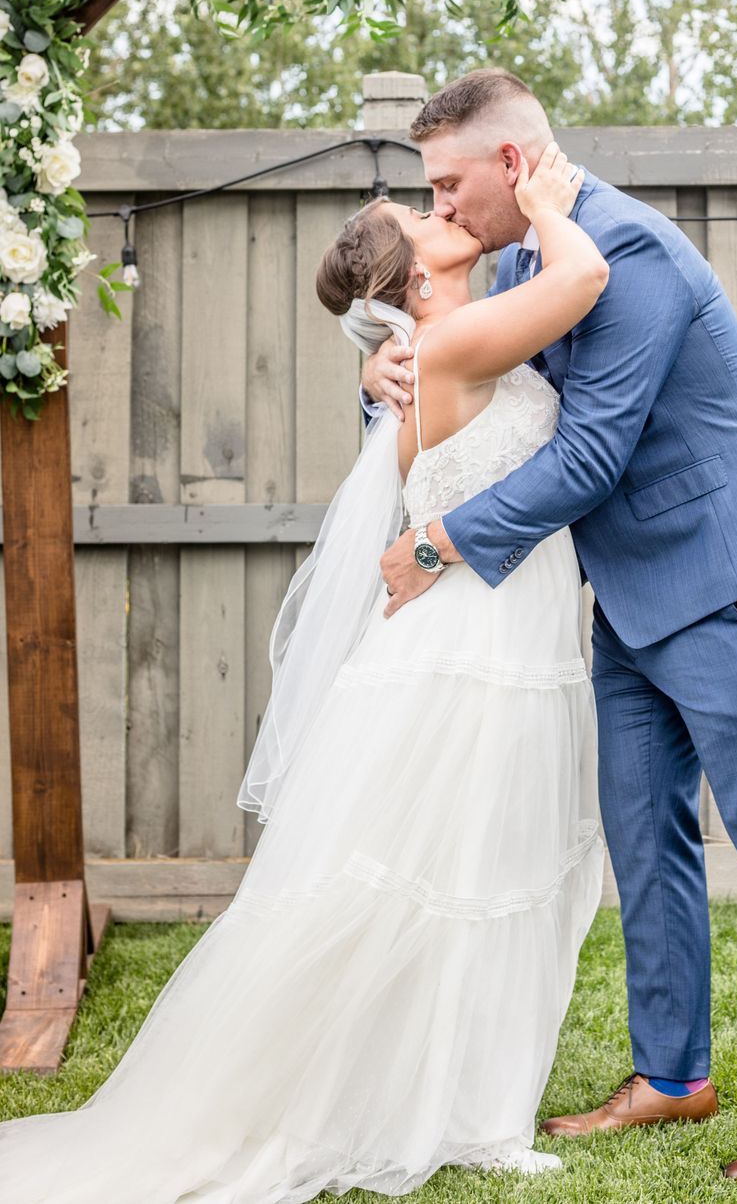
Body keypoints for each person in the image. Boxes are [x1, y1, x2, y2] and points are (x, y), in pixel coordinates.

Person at [0, 145, 608, 1199]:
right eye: (421, 216)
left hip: (499, 633)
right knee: (450, 881)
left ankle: (472, 1106)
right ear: (415, 280)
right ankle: (433, 1108)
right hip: (468, 651)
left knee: (479, 877)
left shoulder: (428, 346)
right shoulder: (454, 340)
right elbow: (586, 278)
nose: (439, 209)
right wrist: (552, 203)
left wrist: (368, 359)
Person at [363, 67, 737, 1184]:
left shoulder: (628, 251)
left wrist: (436, 543)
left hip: (721, 576)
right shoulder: (523, 256)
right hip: (631, 593)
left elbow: (592, 454)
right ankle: (671, 1077)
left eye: (450, 183)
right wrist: (381, 377)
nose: (443, 207)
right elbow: (464, 390)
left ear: (511, 164)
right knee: (641, 837)